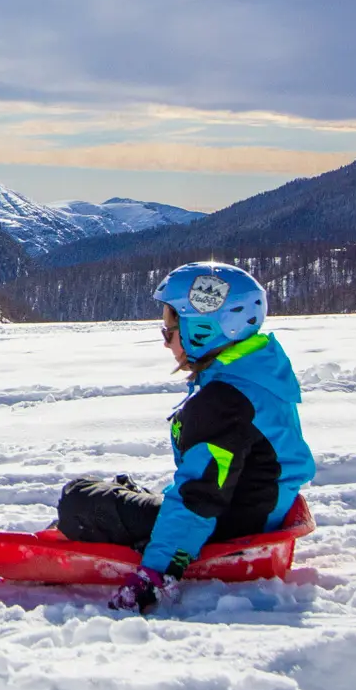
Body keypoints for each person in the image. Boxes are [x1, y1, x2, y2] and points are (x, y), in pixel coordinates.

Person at [56, 262, 315, 614]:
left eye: (169, 332)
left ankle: (139, 534)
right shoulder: (255, 373)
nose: (166, 343)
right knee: (120, 492)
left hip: (229, 527)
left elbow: (199, 498)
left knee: (78, 498)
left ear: (202, 330)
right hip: (253, 510)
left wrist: (156, 574)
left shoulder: (223, 401)